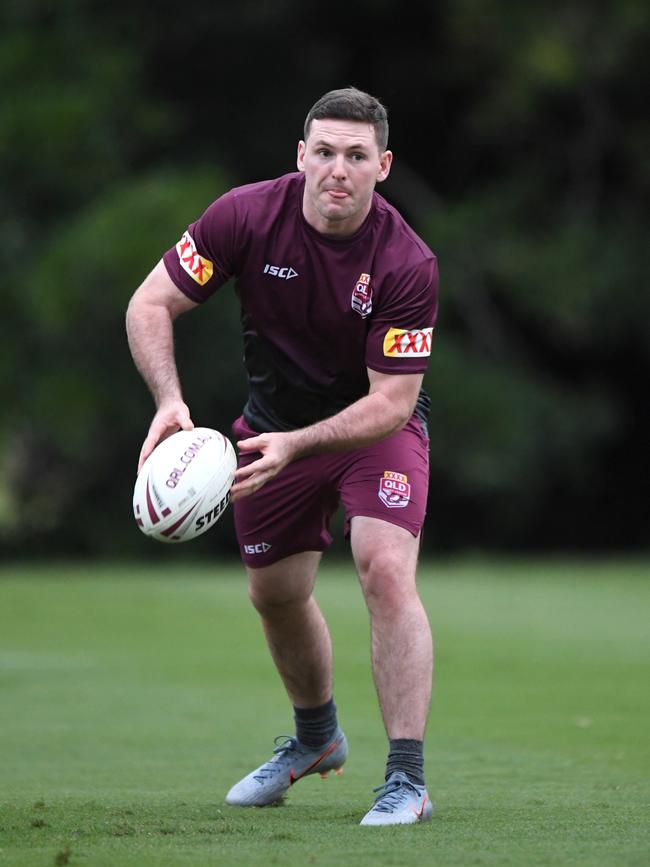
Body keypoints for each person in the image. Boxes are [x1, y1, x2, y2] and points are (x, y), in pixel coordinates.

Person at [126, 87, 439, 826]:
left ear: (382, 165)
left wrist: (301, 444)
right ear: (301, 155)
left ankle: (407, 779)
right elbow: (149, 304)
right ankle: (315, 738)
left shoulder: (406, 261)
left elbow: (392, 402)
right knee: (274, 592)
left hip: (372, 431)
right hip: (271, 429)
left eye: (356, 156)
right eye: (324, 151)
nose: (338, 169)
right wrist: (169, 401)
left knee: (386, 569)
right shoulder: (245, 216)